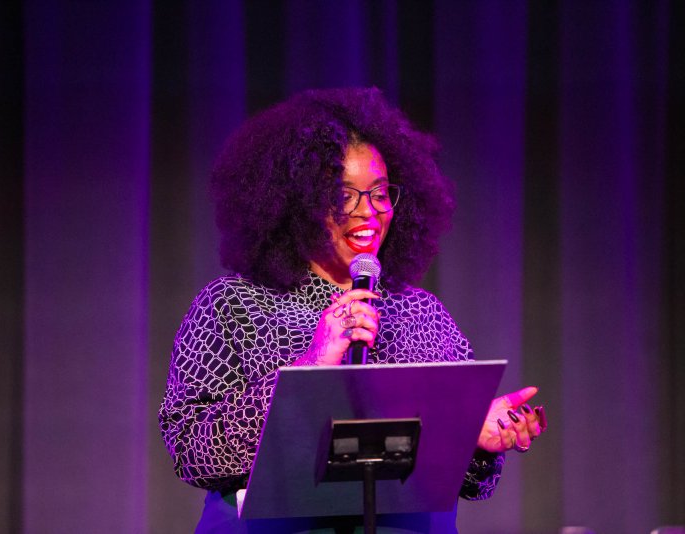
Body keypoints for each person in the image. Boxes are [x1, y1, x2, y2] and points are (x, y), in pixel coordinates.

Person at [159, 87, 547, 533]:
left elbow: (463, 481)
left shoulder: (422, 315)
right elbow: (193, 452)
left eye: (380, 194)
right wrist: (310, 366)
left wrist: (477, 437)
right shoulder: (233, 306)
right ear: (298, 203)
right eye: (343, 195)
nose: (369, 213)